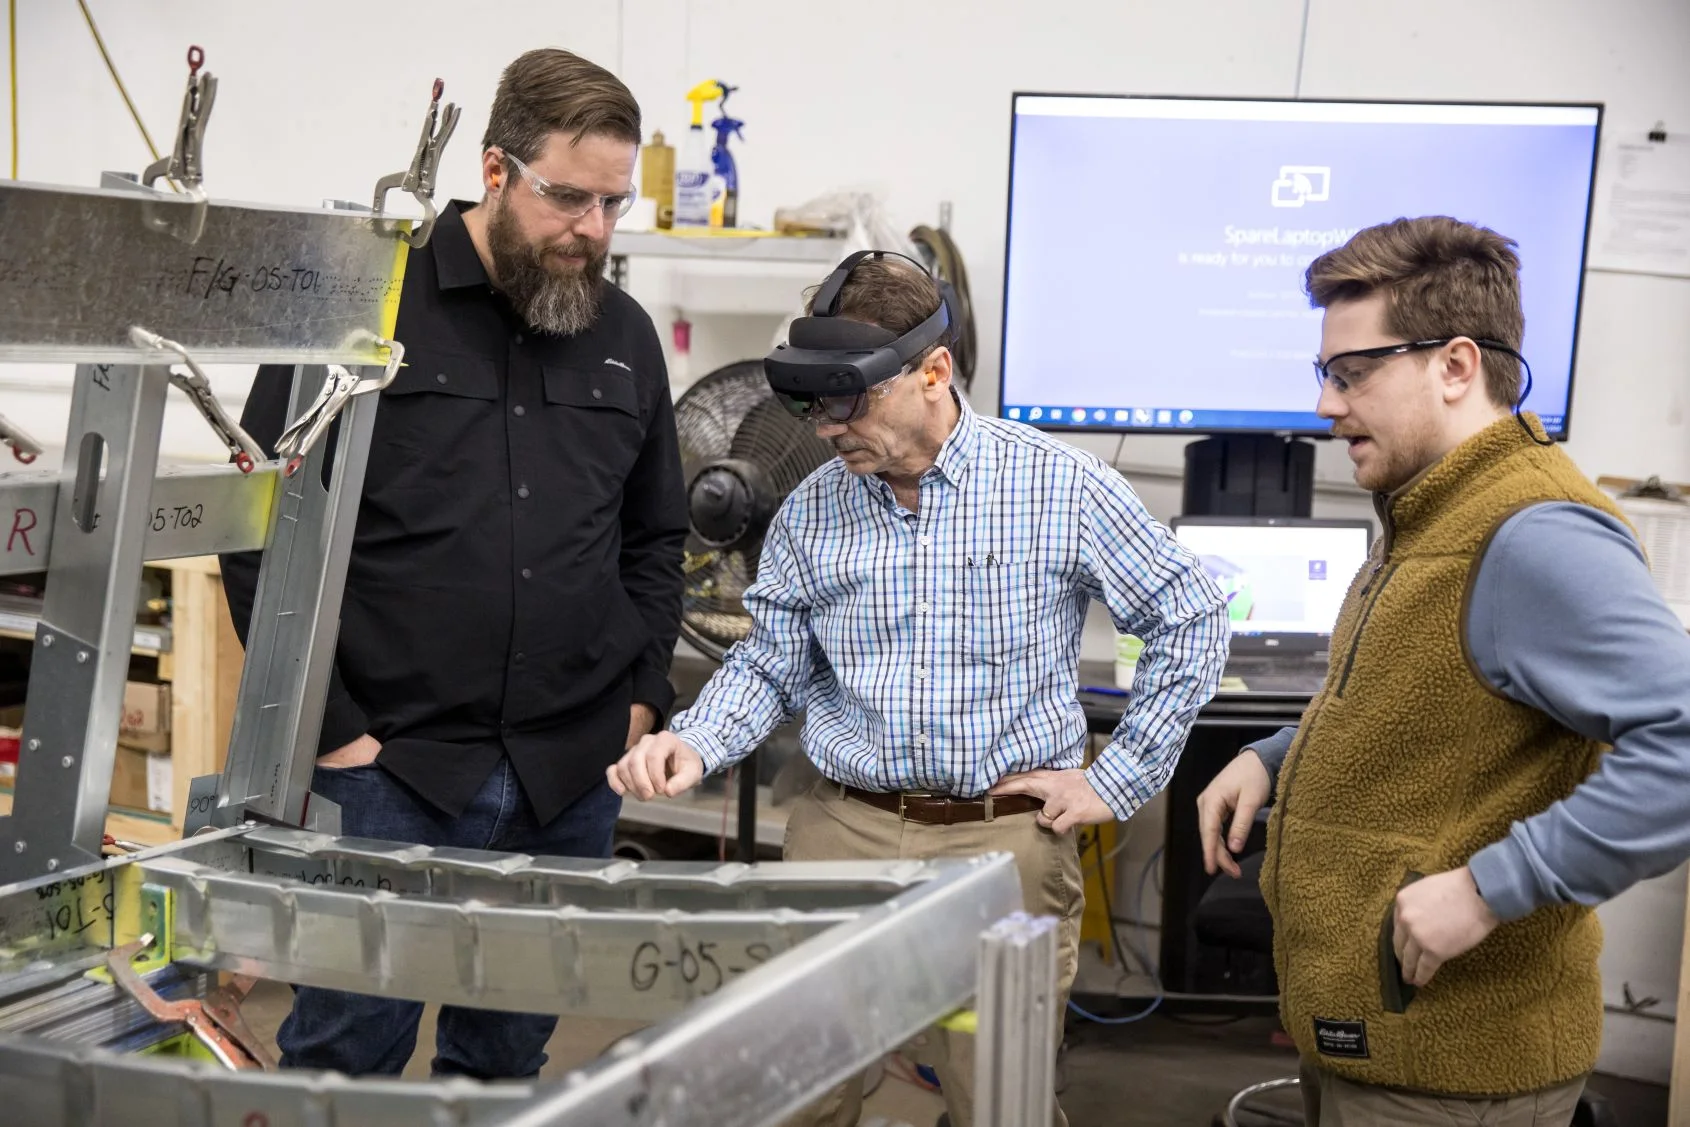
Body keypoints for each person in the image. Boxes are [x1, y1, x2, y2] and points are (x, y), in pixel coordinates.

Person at [609, 251, 1230, 1126]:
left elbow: (1192, 616)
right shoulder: (812, 508)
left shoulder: (1058, 484)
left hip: (1001, 841)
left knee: (996, 1103)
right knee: (802, 1096)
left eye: (849, 398)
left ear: (933, 371)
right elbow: (769, 658)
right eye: (811, 402)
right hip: (843, 830)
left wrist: (1114, 779)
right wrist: (694, 738)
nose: (826, 427)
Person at [220, 48, 687, 1079]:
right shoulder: (356, 314)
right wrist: (335, 732)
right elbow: (260, 529)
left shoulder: (624, 335)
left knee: (508, 1049)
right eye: (568, 198)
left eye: (614, 205)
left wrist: (639, 701)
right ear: (493, 168)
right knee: (348, 1047)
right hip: (390, 769)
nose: (593, 231)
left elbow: (657, 538)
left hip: (570, 773)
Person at [1196, 216, 1690, 1125]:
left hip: (1453, 1073)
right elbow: (1413, 705)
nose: (1326, 406)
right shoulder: (1433, 508)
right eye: (1326, 375)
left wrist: (1490, 885)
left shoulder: (1533, 532)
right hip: (1388, 1044)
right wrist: (1274, 754)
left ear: (1456, 365)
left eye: (1353, 374)